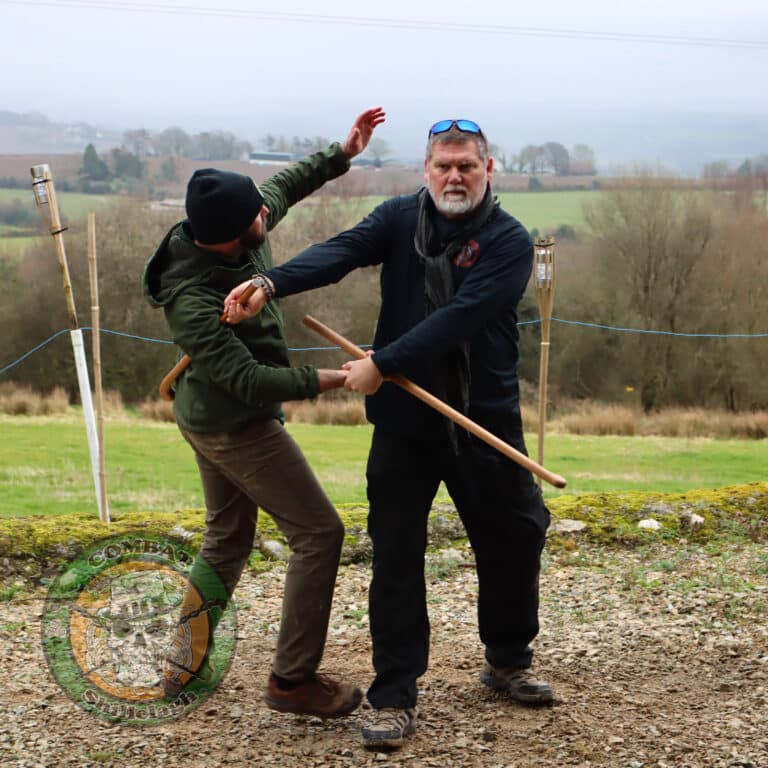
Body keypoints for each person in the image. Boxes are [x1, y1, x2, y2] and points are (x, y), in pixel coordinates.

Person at [224, 118, 553, 749]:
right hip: (405, 425)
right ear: (425, 172)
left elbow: (460, 317)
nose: (454, 177)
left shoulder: (508, 242)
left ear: (489, 171)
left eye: (467, 166)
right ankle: (395, 692)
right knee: (397, 554)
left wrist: (381, 363)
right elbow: (341, 252)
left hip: (483, 418)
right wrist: (271, 282)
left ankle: (508, 658)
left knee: (514, 534)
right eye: (443, 166)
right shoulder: (400, 218)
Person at [142, 107, 386, 718]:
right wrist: (342, 377)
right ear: (227, 236)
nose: (266, 216)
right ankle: (291, 681)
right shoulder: (191, 301)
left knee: (226, 539)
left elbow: (281, 187)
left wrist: (343, 152)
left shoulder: (236, 224)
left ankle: (181, 666)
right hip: (232, 423)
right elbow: (251, 382)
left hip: (207, 413)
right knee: (319, 533)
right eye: (256, 217)